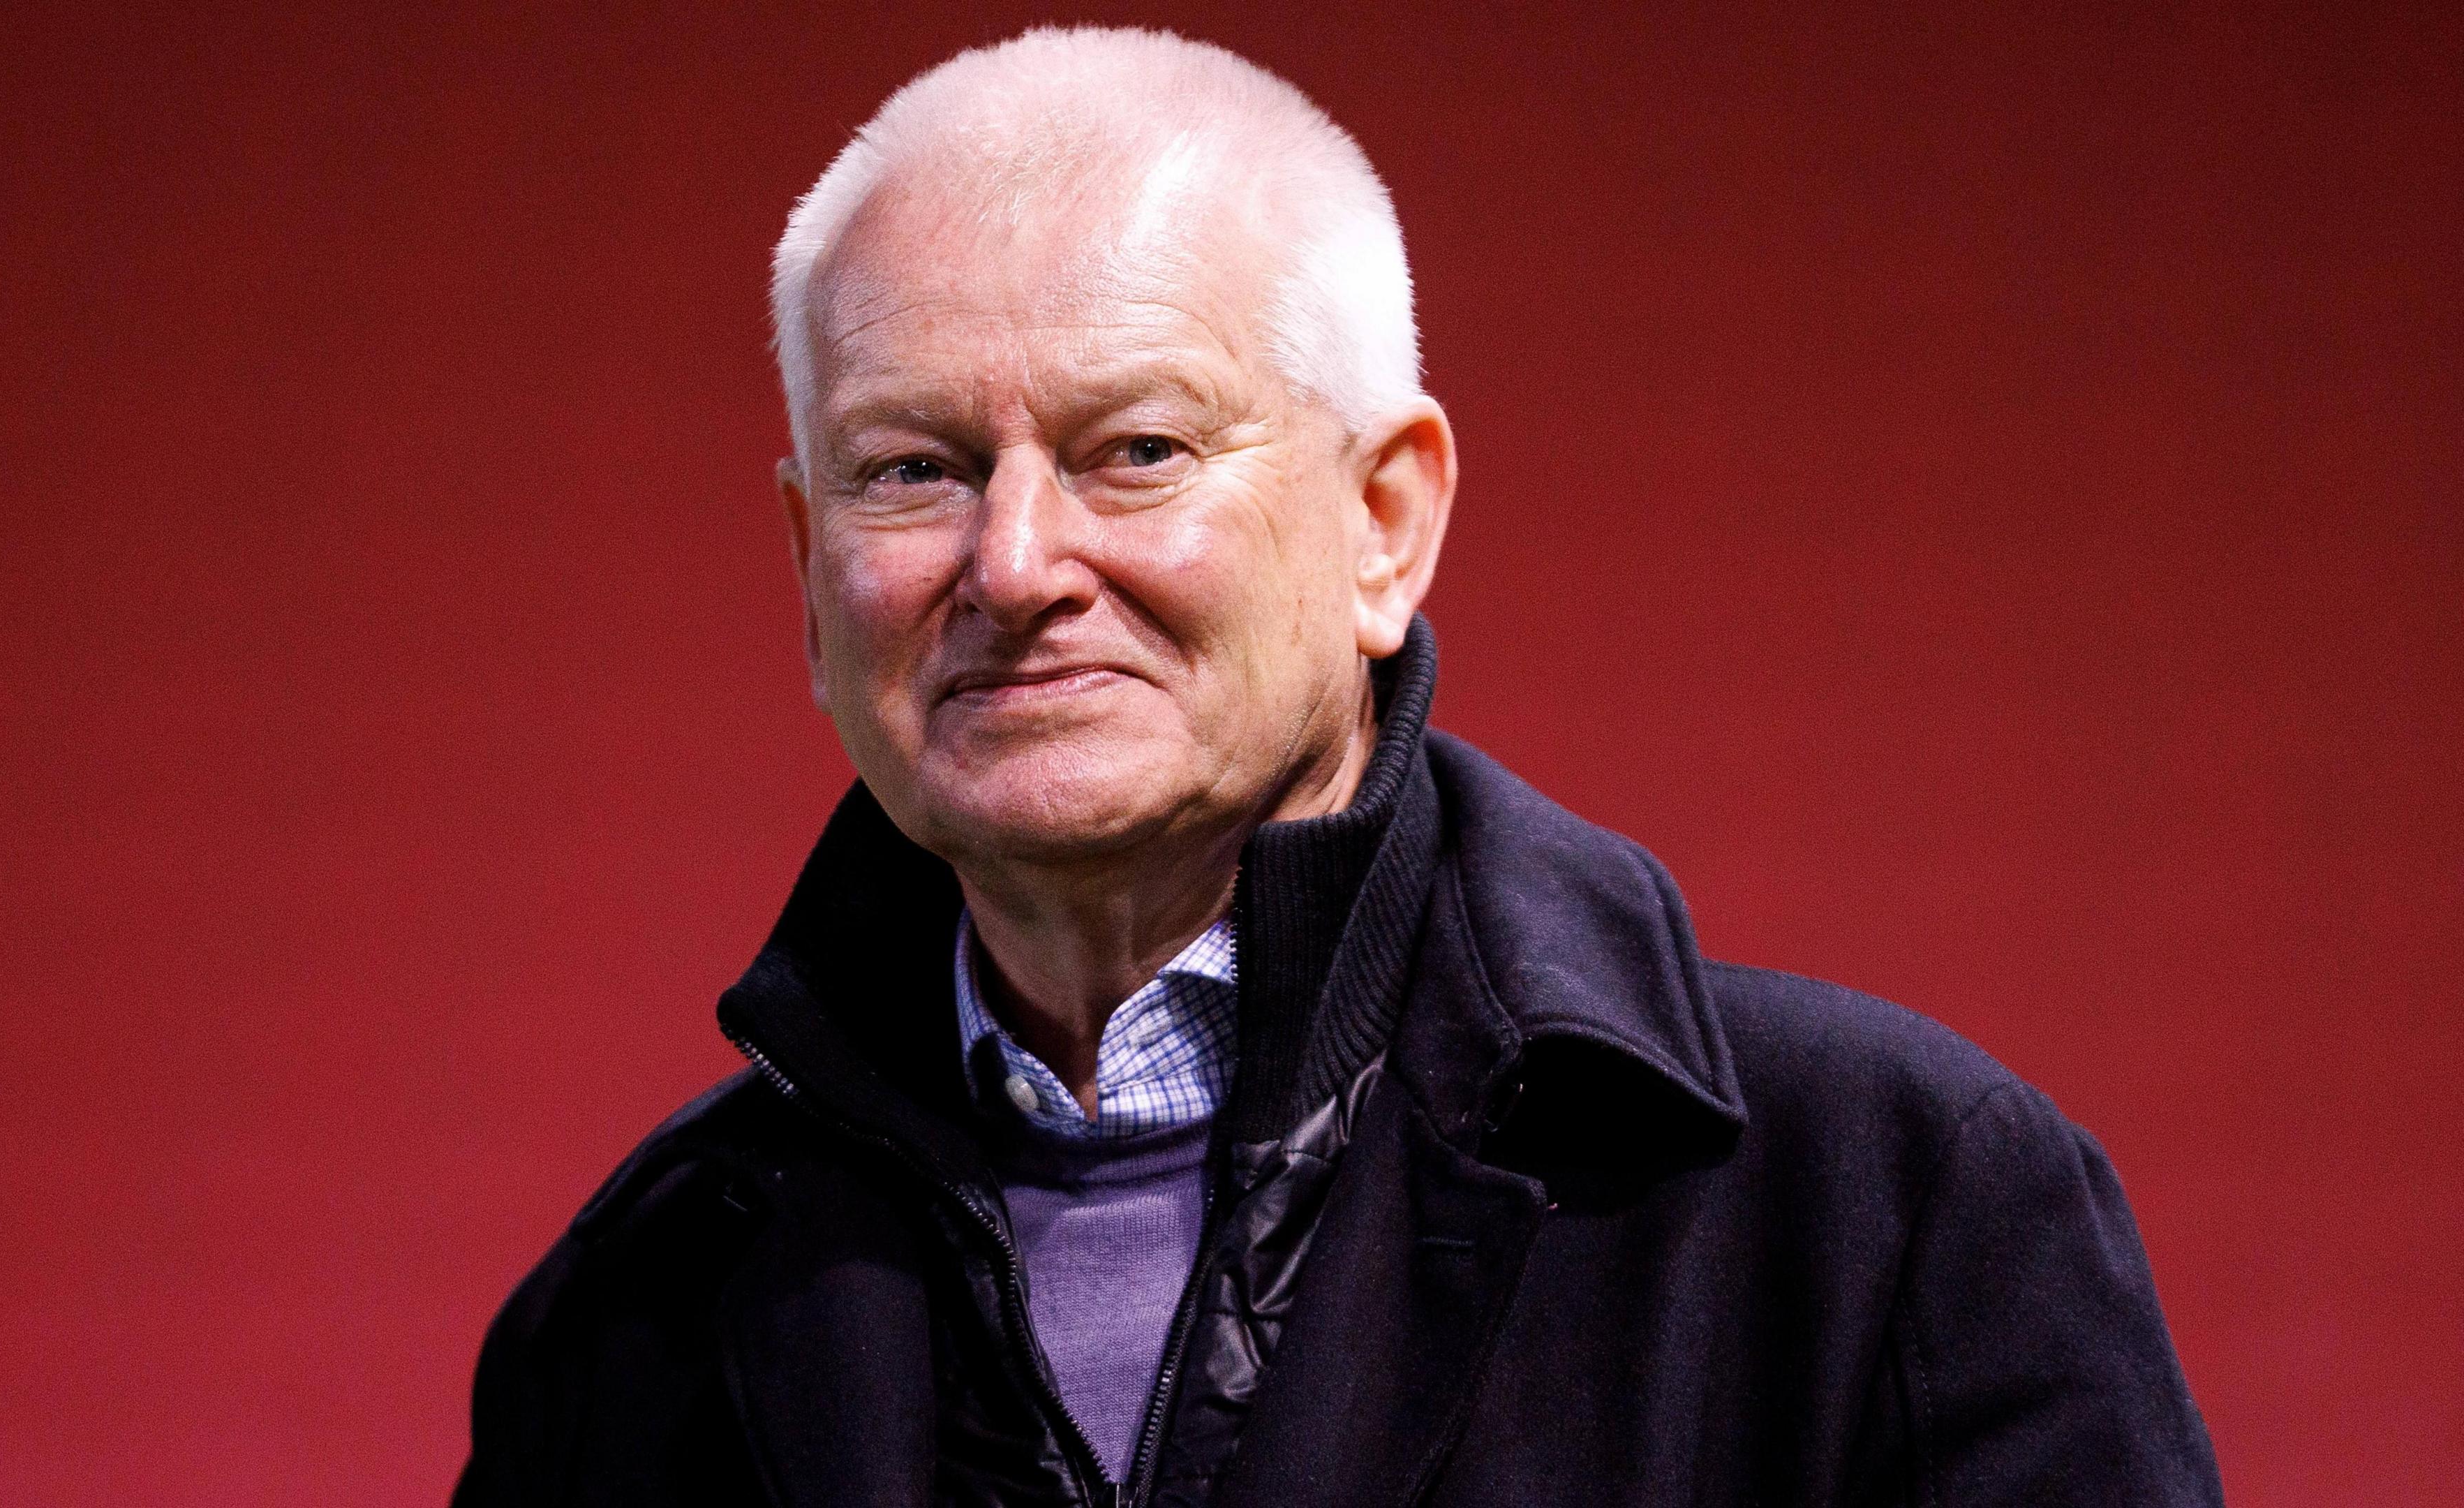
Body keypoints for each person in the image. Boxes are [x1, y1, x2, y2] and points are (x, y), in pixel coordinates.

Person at [454, 26, 2222, 1507]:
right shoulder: (628, 1322)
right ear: (806, 570)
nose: (1011, 564)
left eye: (1134, 449)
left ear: (1387, 524)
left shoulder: (1881, 1214)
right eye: (910, 470)